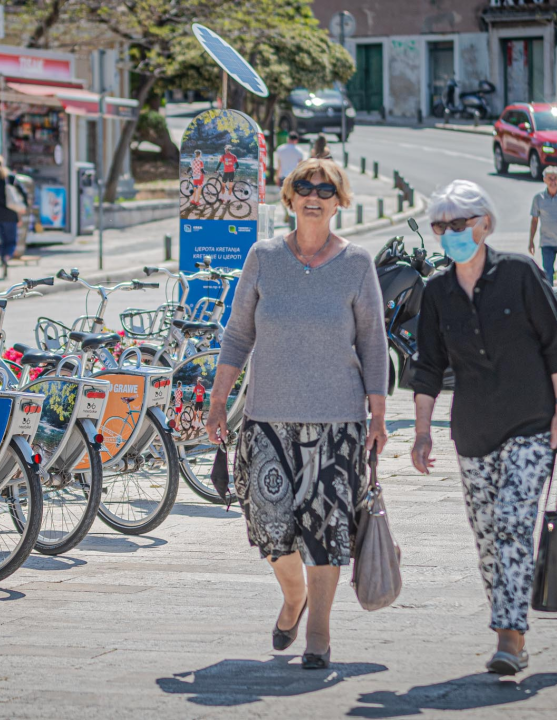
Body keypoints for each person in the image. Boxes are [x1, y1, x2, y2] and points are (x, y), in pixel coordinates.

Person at [205, 158, 388, 671]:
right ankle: (293, 596)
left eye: (325, 187)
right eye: (303, 185)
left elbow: (373, 343)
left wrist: (378, 416)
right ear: (289, 197)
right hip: (266, 419)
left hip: (337, 422)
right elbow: (239, 333)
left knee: (326, 530)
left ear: (339, 200)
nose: (314, 194)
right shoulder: (263, 257)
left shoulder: (357, 264)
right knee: (268, 526)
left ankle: (319, 631)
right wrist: (219, 401)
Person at [409, 179, 557, 677]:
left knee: (511, 524)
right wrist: (422, 431)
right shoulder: (437, 293)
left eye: (459, 224)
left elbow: (556, 342)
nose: (450, 234)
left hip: (530, 422)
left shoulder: (520, 274)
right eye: (441, 226)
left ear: (484, 223)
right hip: (474, 431)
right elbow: (427, 367)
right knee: (486, 537)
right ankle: (506, 621)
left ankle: (511, 636)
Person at [0, 155, 29, 278]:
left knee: (3, 241)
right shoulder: (10, 178)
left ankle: (2, 260)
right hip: (10, 213)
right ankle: (6, 257)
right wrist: (24, 205)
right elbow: (23, 192)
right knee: (11, 241)